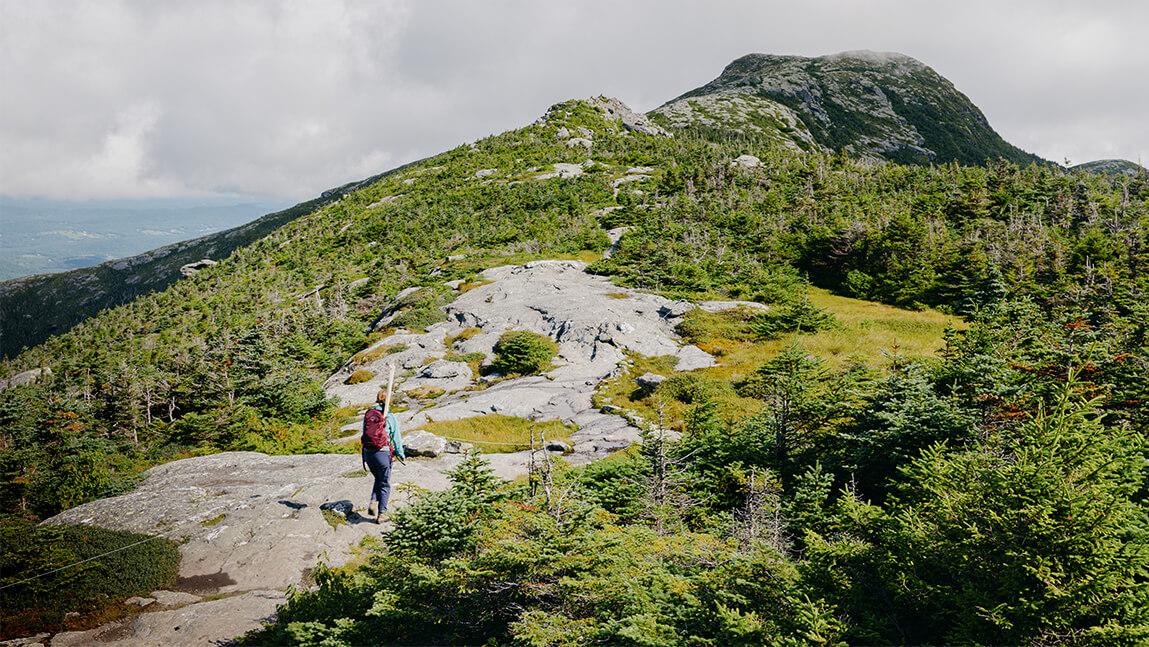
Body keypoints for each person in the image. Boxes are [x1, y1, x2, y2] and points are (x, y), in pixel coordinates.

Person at [362, 389, 405, 523]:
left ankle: (373, 501)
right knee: (385, 484)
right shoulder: (389, 417)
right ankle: (382, 514)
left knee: (378, 478)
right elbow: (396, 438)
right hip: (383, 452)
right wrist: (400, 454)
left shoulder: (369, 414)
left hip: (368, 453)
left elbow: (365, 433)